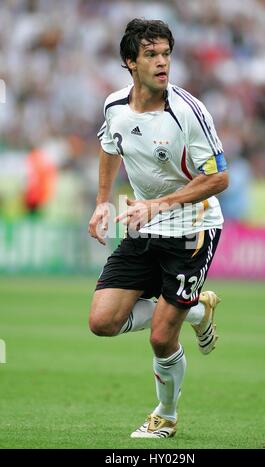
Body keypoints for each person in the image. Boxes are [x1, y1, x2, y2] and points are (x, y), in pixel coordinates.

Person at [88, 18, 229, 439]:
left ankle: (165, 416)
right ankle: (195, 308)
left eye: (166, 53)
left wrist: (157, 205)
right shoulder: (115, 105)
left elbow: (219, 178)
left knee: (161, 336)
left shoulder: (186, 110)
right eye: (151, 54)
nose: (162, 62)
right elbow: (110, 145)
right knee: (102, 321)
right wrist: (101, 203)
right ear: (129, 62)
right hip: (144, 222)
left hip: (192, 226)